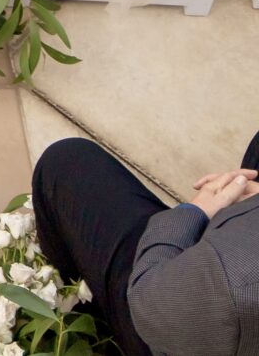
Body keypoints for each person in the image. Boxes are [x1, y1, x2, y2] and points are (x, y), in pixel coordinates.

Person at [32, 128, 259, 356]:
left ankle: (93, 328)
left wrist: (192, 212)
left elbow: (156, 304)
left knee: (66, 163)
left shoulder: (237, 286)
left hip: (170, 316)